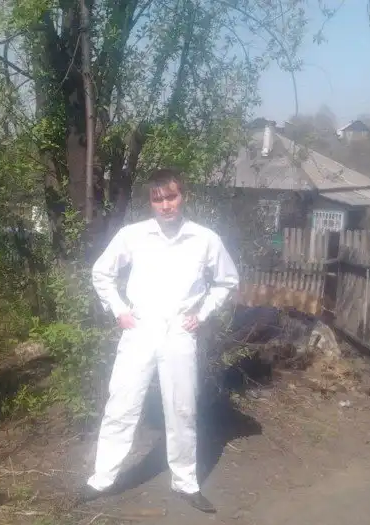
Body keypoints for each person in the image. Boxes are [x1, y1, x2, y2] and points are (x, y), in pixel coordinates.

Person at [79, 168, 240, 513]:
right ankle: (102, 478)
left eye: (171, 197)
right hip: (141, 328)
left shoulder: (205, 239)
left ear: (184, 196)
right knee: (122, 403)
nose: (166, 205)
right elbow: (101, 273)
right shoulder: (133, 235)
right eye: (158, 199)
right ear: (150, 202)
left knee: (182, 408)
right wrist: (119, 310)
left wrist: (202, 313)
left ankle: (185, 482)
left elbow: (227, 281)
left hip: (179, 332)